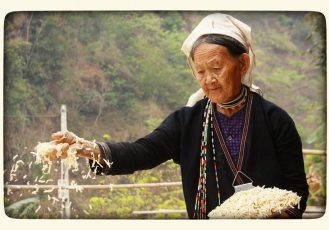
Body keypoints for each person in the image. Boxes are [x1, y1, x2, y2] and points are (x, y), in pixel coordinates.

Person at [47, 13, 309, 219]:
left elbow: (296, 191)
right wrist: (85, 148)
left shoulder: (275, 120)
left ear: (242, 63)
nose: (209, 80)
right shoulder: (187, 122)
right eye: (200, 71)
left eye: (216, 68)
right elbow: (143, 151)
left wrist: (278, 217)